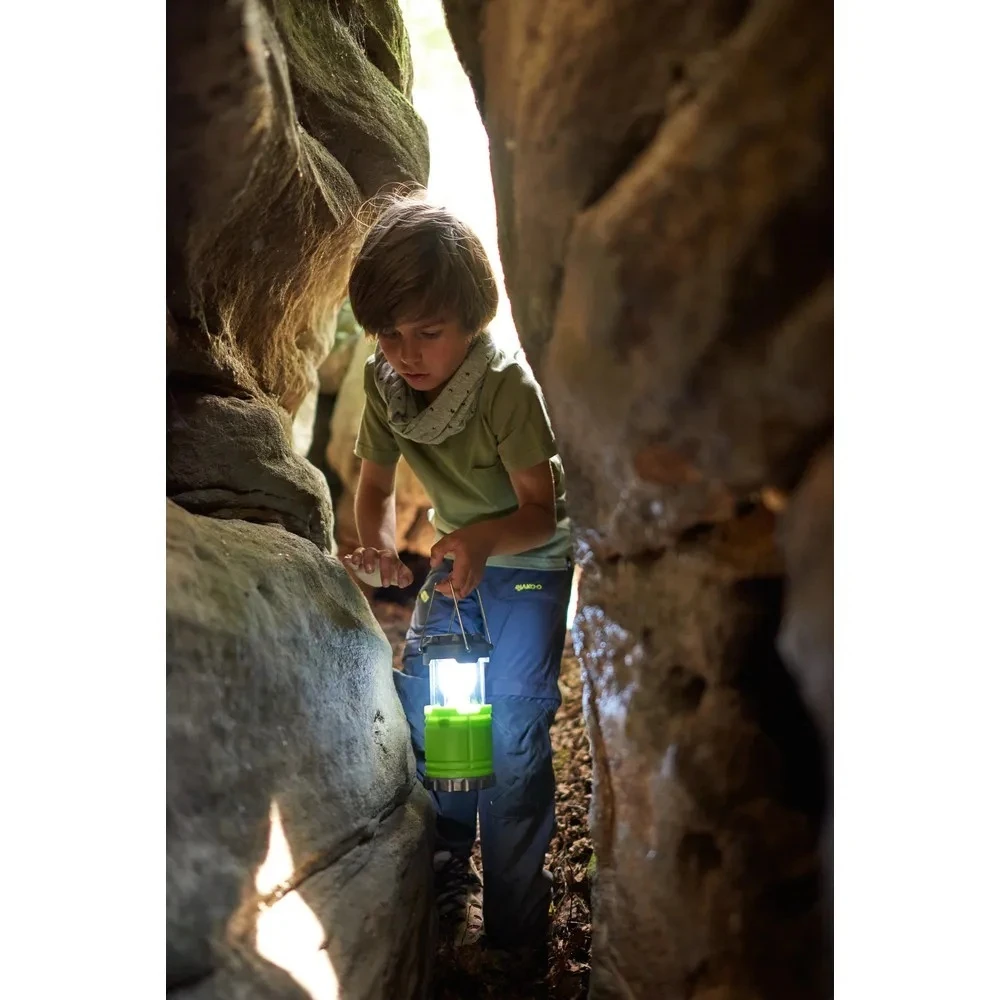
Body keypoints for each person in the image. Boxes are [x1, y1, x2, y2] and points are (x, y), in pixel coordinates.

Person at [343, 194, 574, 956]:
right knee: (441, 719)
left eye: (428, 332)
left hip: (528, 566)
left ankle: (516, 929)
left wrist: (481, 538)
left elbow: (541, 512)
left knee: (513, 739)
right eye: (389, 334)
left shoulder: (506, 388)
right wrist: (379, 548)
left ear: (472, 318)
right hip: (458, 561)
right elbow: (375, 488)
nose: (406, 353)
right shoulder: (386, 385)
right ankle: (449, 881)